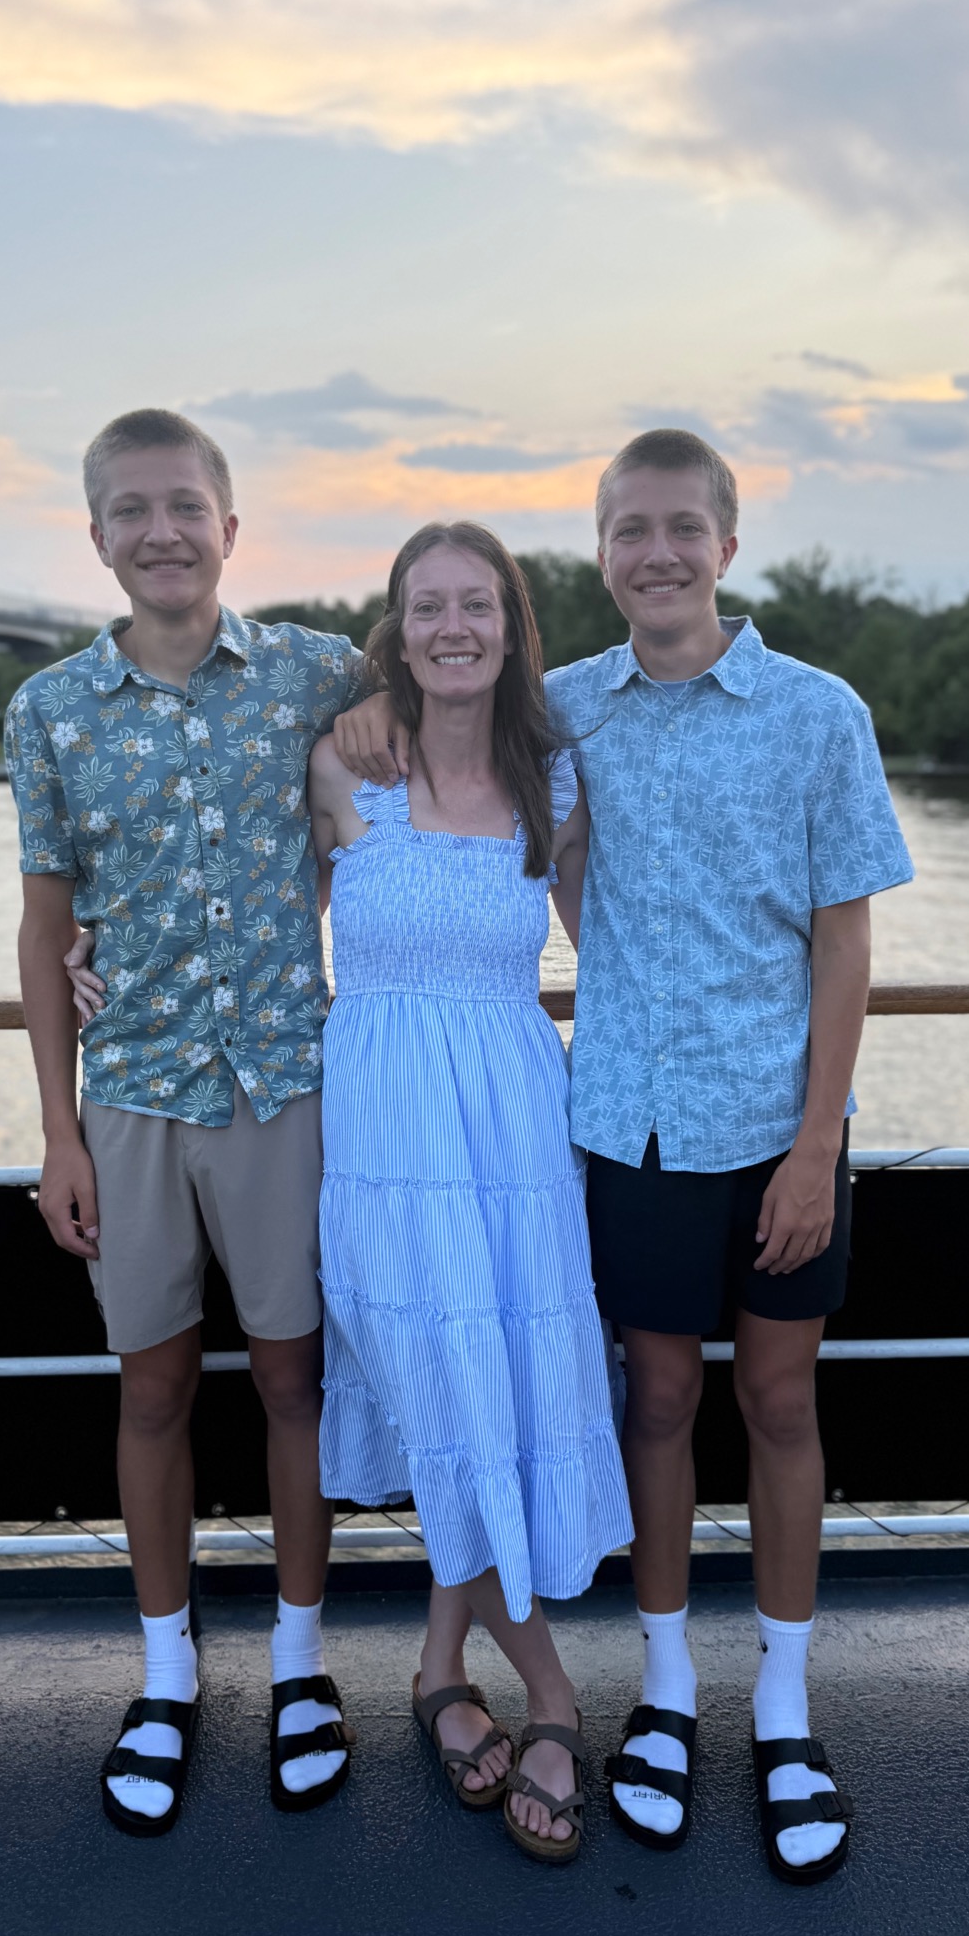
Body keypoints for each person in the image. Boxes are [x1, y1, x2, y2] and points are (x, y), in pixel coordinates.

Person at [336, 429, 913, 1883]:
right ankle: (664, 1694)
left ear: (727, 543)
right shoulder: (565, 715)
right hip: (633, 1123)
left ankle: (784, 1709)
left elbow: (847, 942)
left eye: (682, 528)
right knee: (655, 1399)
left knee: (779, 1402)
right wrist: (370, 697)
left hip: (779, 1129)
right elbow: (440, 731)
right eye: (629, 531)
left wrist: (819, 1141)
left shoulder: (818, 711)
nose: (657, 553)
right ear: (598, 554)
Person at [6, 407, 367, 1835]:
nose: (161, 532)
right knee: (151, 1392)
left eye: (184, 506)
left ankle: (300, 1660)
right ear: (97, 536)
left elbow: (455, 705)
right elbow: (44, 931)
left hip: (284, 1088)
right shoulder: (49, 710)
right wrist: (59, 1134)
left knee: (293, 1384)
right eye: (131, 510)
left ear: (230, 526)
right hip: (133, 1098)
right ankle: (167, 1670)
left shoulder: (315, 675)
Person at [308, 521, 634, 1865]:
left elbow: (615, 947)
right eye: (428, 606)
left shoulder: (554, 776)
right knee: (440, 1389)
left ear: (511, 625)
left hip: (515, 1129)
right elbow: (255, 919)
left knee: (492, 1397)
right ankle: (553, 1693)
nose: (454, 627)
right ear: (397, 629)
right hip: (386, 1135)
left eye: (477, 605)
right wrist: (97, 948)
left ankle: (443, 1668)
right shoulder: (345, 763)